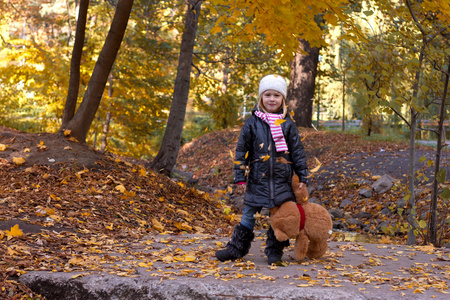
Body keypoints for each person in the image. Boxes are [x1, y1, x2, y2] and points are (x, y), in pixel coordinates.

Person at [215, 74, 309, 265]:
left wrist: (303, 176)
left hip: (282, 181)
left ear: (282, 99)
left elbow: (297, 151)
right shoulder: (251, 124)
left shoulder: (288, 125)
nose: (272, 99)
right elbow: (242, 151)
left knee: (278, 217)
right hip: (259, 179)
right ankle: (236, 249)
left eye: (276, 95)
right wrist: (240, 176)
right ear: (261, 98)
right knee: (248, 214)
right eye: (267, 95)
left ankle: (274, 251)